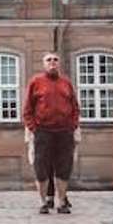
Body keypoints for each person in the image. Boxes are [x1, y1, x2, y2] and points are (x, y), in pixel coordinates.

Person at [22, 52, 80, 215]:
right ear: (44, 64)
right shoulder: (36, 82)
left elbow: (75, 106)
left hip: (64, 131)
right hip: (43, 131)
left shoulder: (66, 83)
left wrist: (72, 125)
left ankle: (61, 201)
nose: (52, 62)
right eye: (49, 60)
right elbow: (27, 109)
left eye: (55, 60)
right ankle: (43, 202)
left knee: (63, 168)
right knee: (41, 168)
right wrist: (34, 128)